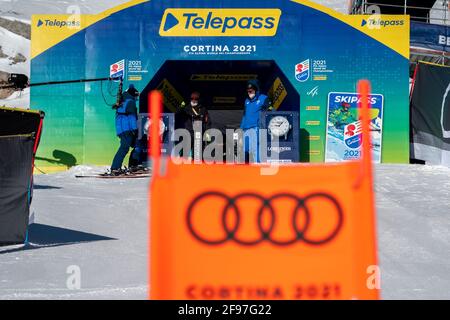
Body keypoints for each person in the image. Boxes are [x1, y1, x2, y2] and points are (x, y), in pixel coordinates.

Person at [110, 84, 140, 174]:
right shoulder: (130, 102)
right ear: (133, 95)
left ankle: (134, 165)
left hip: (122, 129)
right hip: (127, 129)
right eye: (136, 96)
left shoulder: (124, 100)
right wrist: (135, 129)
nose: (137, 98)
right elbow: (131, 117)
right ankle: (115, 167)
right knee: (124, 148)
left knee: (137, 145)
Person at [240, 79, 271, 163]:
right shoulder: (246, 101)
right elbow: (244, 115)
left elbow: (269, 112)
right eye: (248, 91)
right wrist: (241, 128)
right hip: (246, 128)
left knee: (255, 147)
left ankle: (258, 165)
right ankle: (244, 169)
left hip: (256, 127)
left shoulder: (263, 98)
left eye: (251, 90)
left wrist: (262, 126)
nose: (249, 92)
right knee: (244, 149)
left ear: (256, 89)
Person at [177, 91, 212, 160]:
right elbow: (177, 111)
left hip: (198, 135)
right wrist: (183, 103)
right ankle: (182, 168)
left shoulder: (203, 109)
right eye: (192, 98)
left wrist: (207, 136)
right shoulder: (186, 108)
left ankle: (196, 169)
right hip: (188, 134)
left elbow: (207, 123)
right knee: (184, 154)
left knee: (197, 156)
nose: (194, 100)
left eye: (196, 98)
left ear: (199, 99)